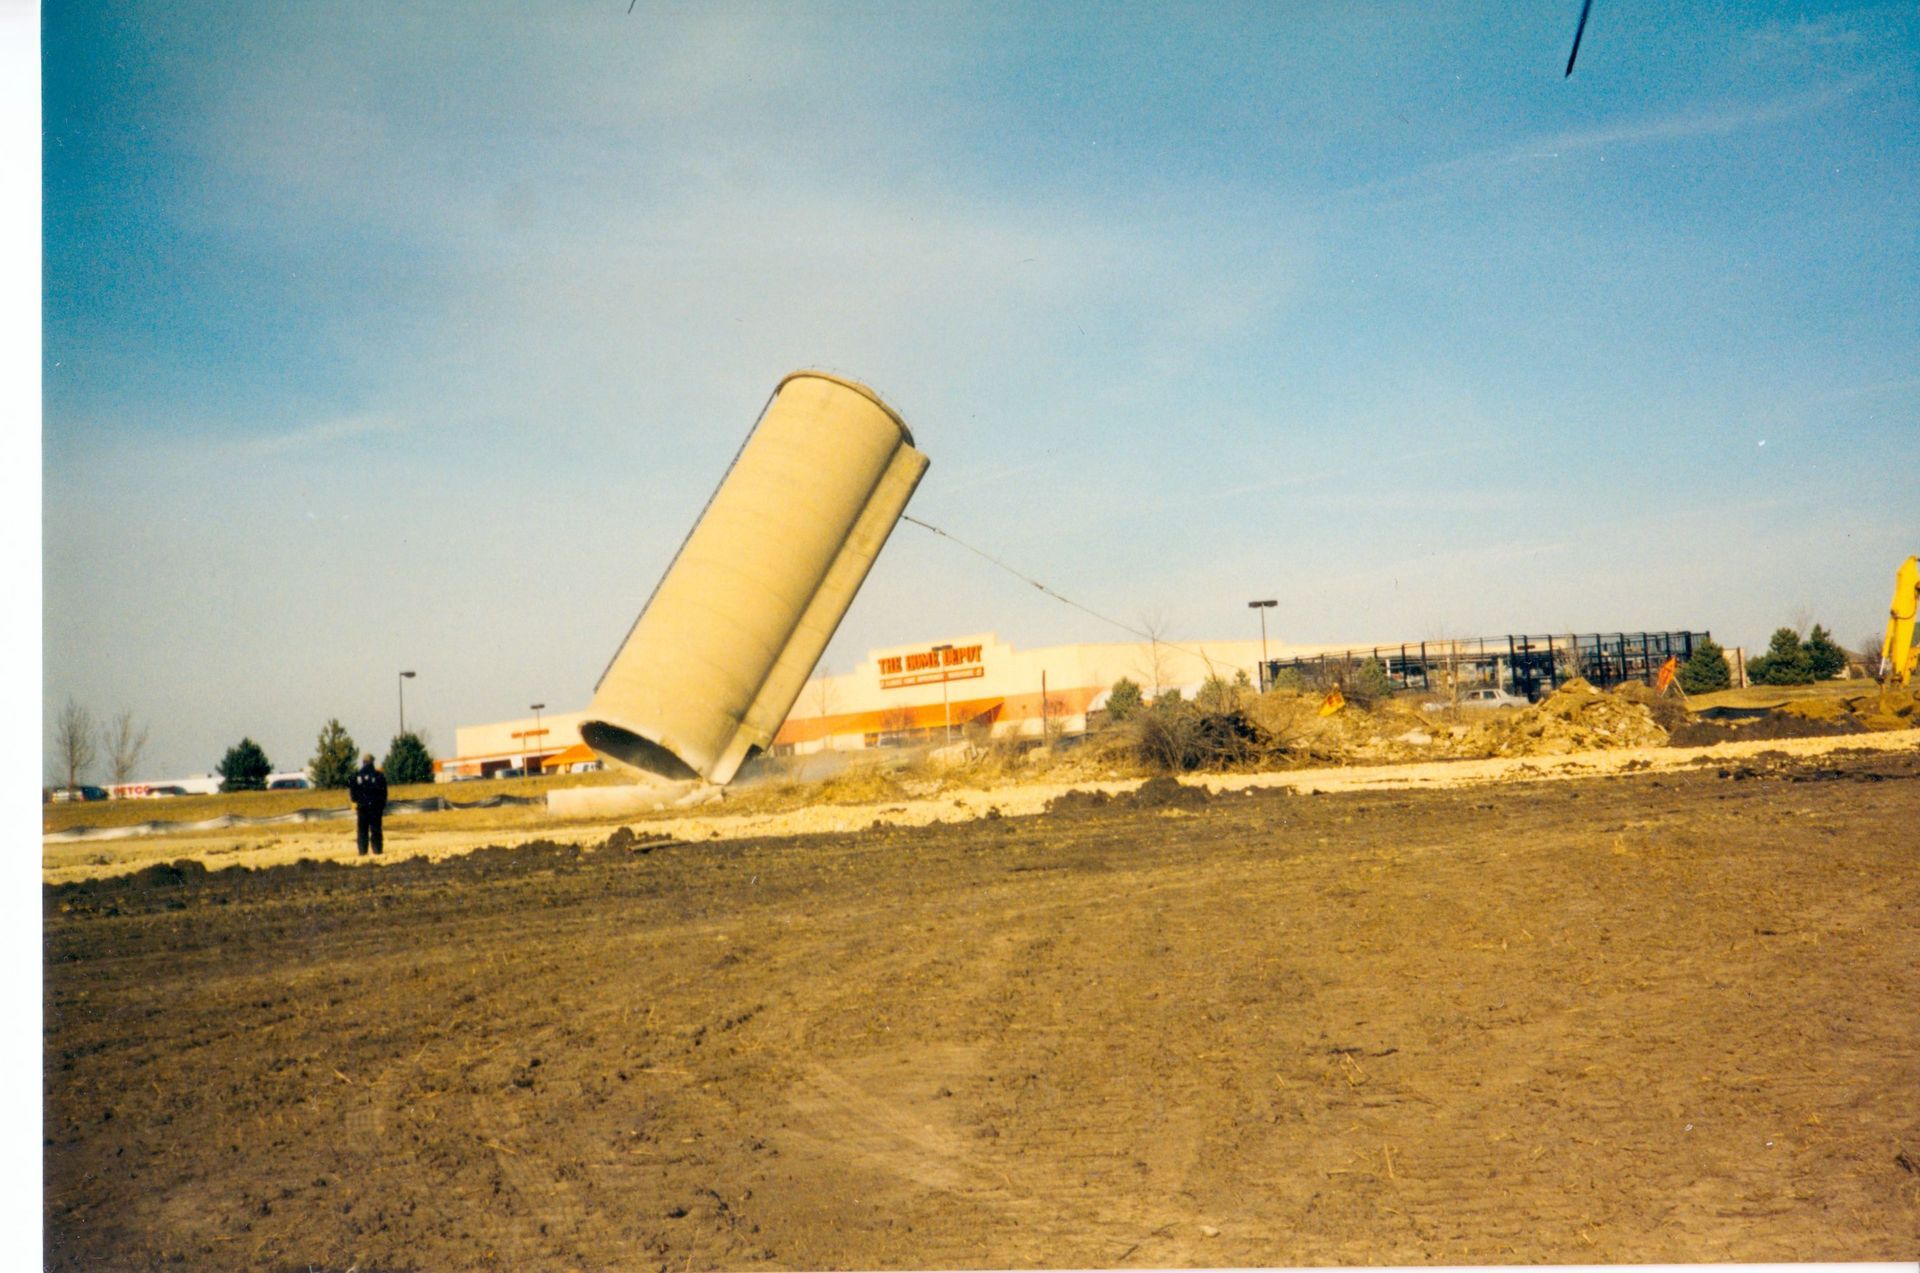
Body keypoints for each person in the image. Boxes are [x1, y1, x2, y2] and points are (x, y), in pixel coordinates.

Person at [347, 753, 388, 856]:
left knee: (362, 830)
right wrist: (382, 804)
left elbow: (352, 792)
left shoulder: (356, 776)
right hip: (375, 807)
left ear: (363, 762)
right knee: (376, 829)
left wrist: (355, 801)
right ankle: (377, 850)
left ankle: (362, 851)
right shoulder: (379, 775)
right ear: (373, 762)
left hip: (362, 807)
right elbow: (384, 792)